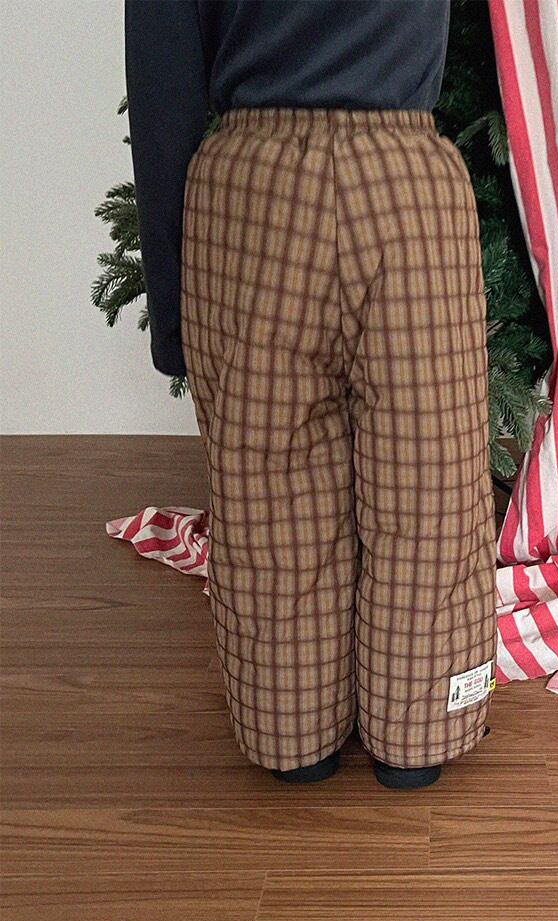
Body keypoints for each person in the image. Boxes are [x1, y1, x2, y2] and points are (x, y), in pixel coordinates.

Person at [124, 1, 496, 789]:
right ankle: (419, 735)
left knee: (266, 487)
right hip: (408, 188)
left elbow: (162, 85)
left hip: (249, 193)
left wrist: (173, 322)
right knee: (431, 483)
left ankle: (290, 736)